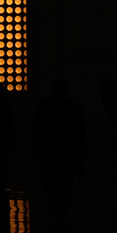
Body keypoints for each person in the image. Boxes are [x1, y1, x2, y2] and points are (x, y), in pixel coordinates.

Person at [32, 79, 86, 221]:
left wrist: (36, 146)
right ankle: (63, 205)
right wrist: (80, 159)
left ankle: (54, 202)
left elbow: (37, 128)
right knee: (66, 179)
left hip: (49, 150)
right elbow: (80, 135)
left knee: (49, 178)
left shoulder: (44, 106)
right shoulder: (74, 109)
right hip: (67, 152)